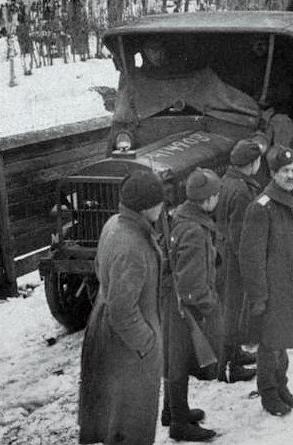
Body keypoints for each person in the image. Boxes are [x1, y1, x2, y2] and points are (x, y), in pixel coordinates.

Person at [79, 170, 166, 445]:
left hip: (108, 335)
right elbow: (122, 310)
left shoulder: (114, 223)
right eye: (160, 202)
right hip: (129, 349)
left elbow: (98, 268)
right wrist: (147, 342)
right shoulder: (133, 246)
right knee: (131, 423)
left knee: (113, 418)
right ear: (148, 205)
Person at [239, 145, 293, 416]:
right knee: (270, 344)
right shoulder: (261, 207)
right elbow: (251, 258)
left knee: (284, 340)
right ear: (272, 174)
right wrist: (259, 297)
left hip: (292, 286)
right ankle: (269, 393)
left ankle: (282, 387)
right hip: (273, 291)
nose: (291, 175)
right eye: (285, 171)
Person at [163, 168, 222, 442]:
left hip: (173, 301)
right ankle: (178, 422)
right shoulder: (195, 230)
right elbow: (192, 284)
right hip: (184, 307)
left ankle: (175, 410)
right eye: (216, 195)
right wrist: (210, 307)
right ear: (208, 200)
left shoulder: (183, 217)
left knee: (176, 359)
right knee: (179, 361)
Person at [213, 139, 264, 383]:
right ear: (252, 163)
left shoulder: (226, 182)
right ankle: (231, 368)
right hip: (234, 259)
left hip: (222, 253)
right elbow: (241, 236)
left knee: (229, 308)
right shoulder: (243, 192)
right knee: (233, 312)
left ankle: (234, 356)